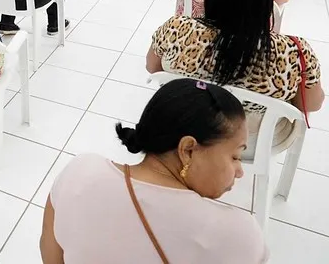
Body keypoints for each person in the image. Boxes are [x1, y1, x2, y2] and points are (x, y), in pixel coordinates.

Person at [40, 79, 268, 263]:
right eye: (235, 157)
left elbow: (50, 255)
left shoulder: (80, 173)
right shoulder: (239, 237)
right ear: (188, 150)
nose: (239, 172)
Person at [149, 0, 323, 150]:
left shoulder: (178, 29)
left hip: (186, 125)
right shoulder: (293, 52)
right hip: (255, 142)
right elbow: (311, 105)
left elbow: (153, 68)